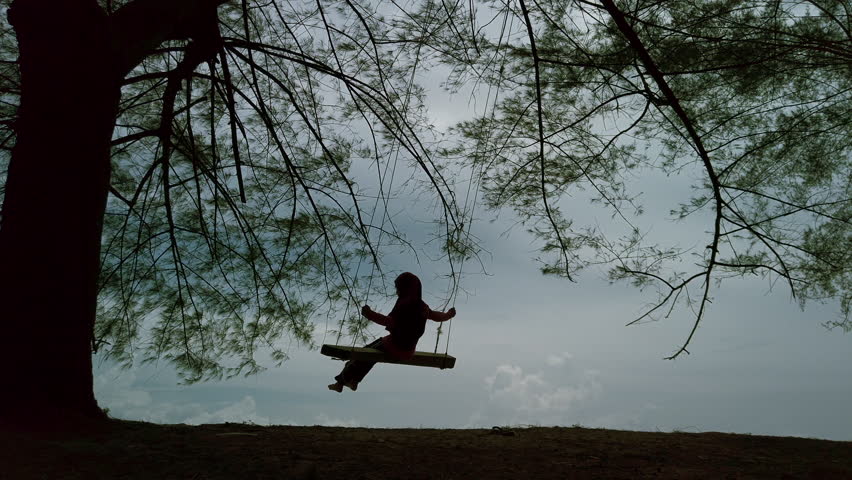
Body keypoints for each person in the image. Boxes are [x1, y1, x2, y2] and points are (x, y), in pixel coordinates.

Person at [328, 272, 456, 392]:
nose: (397, 292)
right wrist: (448, 315)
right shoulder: (423, 307)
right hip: (408, 351)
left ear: (406, 288)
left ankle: (342, 382)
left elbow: (390, 322)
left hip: (393, 346)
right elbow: (435, 316)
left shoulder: (406, 305)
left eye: (398, 288)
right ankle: (352, 381)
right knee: (367, 356)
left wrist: (370, 314)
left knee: (362, 356)